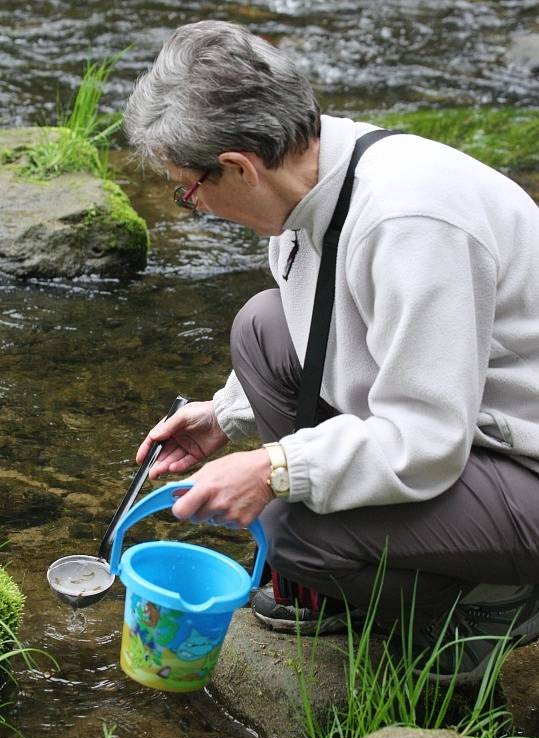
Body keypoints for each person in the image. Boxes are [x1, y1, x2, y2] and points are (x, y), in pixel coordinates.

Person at [124, 19, 539, 684]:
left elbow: (426, 437)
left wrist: (273, 468)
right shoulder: (315, 177)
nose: (194, 206)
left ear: (237, 165)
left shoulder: (409, 220)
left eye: (190, 188)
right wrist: (223, 416)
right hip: (470, 429)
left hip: (521, 462)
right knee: (261, 329)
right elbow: (327, 323)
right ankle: (365, 581)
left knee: (294, 528)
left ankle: (493, 606)